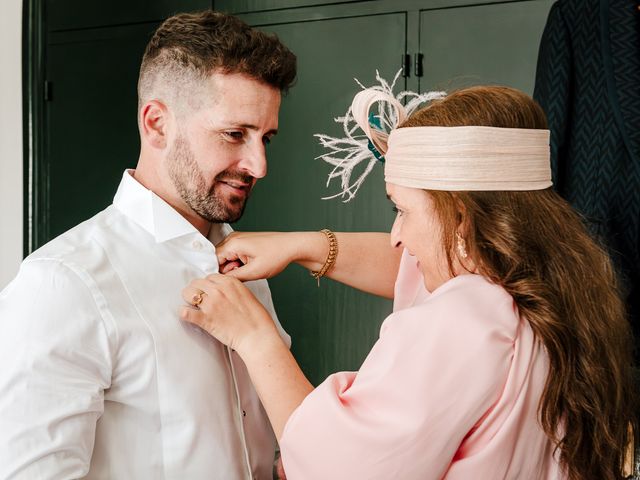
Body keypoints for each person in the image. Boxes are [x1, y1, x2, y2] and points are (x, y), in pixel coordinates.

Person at [181, 85, 636, 479]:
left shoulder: (460, 321)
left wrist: (255, 336)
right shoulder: (550, 283)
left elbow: (338, 467)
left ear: (460, 217)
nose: (396, 236)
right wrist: (304, 246)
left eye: (402, 210)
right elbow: (411, 268)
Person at [0, 10, 296, 479]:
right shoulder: (63, 283)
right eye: (235, 134)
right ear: (157, 123)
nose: (258, 165)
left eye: (266, 139)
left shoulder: (246, 268)